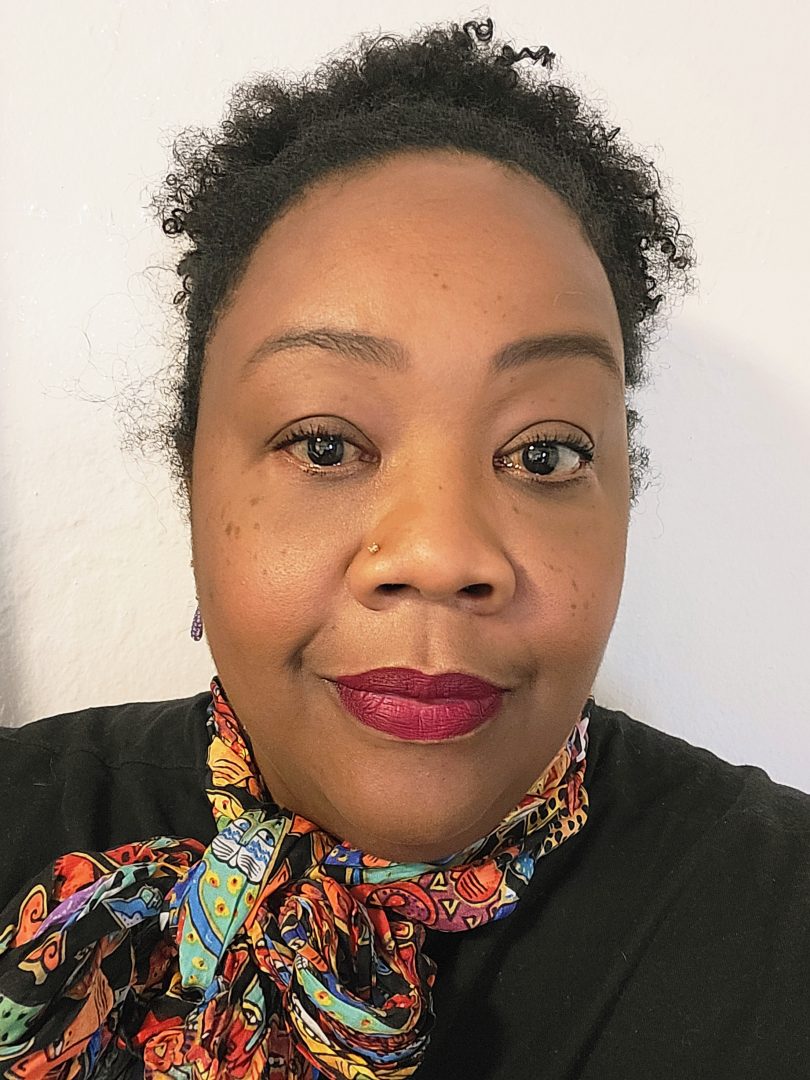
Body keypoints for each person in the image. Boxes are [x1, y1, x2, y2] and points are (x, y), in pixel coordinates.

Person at [0, 17, 807, 1080]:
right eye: (325, 443)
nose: (437, 553)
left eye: (545, 453)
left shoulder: (779, 919)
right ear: (193, 485)